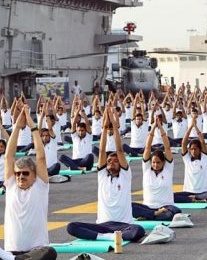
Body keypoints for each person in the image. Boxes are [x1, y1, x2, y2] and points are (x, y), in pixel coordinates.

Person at [0, 106, 58, 260]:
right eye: (18, 174)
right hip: (11, 251)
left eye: (25, 174)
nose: (20, 177)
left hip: (36, 251)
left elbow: (41, 156)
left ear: (34, 175)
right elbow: (8, 156)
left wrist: (31, 124)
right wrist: (16, 128)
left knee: (50, 253)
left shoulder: (40, 186)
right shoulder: (12, 185)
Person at [66, 106, 146, 242]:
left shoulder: (125, 175)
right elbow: (102, 150)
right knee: (71, 227)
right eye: (109, 161)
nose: (112, 162)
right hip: (103, 225)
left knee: (139, 230)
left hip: (124, 225)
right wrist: (103, 128)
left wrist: (114, 127)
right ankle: (107, 237)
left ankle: (107, 237)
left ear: (121, 164)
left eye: (115, 161)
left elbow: (120, 150)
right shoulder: (102, 175)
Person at [131, 116, 182, 221]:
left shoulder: (168, 168)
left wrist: (161, 128)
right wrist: (153, 128)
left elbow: (167, 147)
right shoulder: (147, 169)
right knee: (129, 206)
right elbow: (148, 147)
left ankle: (148, 215)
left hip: (166, 207)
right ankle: (154, 214)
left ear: (164, 162)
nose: (155, 165)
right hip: (148, 207)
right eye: (153, 162)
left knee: (175, 212)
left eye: (158, 162)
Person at [173, 117, 207, 203]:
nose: (193, 151)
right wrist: (190, 126)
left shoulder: (204, 158)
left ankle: (195, 198)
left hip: (203, 192)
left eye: (196, 149)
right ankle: (194, 199)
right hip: (188, 191)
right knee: (171, 196)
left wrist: (196, 126)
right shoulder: (187, 159)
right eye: (191, 149)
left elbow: (202, 141)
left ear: (200, 149)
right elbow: (183, 143)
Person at [60, 101, 94, 171]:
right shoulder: (75, 136)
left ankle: (74, 167)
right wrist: (77, 111)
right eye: (79, 131)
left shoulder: (88, 136)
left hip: (85, 161)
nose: (80, 132)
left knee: (90, 156)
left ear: (86, 130)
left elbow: (87, 123)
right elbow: (74, 123)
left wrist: (82, 113)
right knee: (61, 157)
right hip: (75, 161)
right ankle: (78, 168)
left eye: (82, 130)